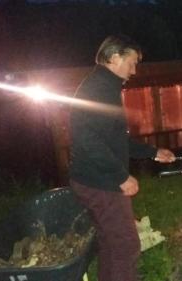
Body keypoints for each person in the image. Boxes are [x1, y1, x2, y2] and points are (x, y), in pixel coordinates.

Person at [68, 34, 175, 281]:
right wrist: (121, 177)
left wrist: (153, 153)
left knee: (111, 242)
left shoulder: (104, 86)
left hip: (96, 178)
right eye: (132, 62)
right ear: (115, 58)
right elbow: (87, 139)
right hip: (100, 182)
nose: (134, 70)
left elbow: (115, 139)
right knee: (126, 245)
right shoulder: (98, 89)